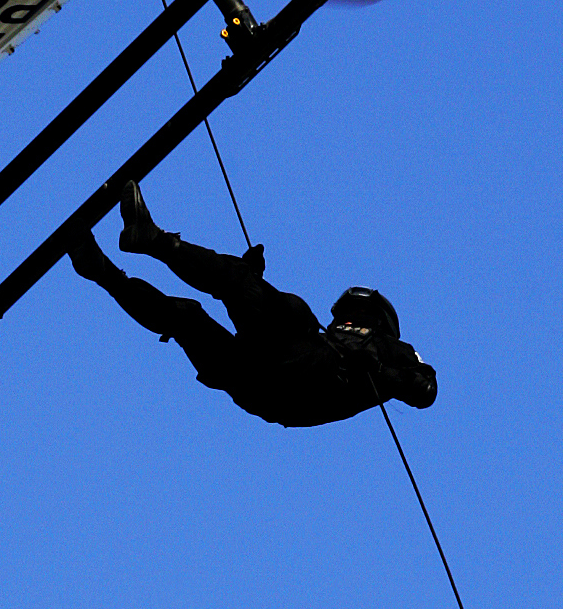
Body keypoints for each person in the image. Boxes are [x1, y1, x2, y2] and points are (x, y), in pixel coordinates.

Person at [68, 180, 437, 429]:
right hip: (259, 385)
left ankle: (151, 240)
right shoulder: (327, 340)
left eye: (353, 315)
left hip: (304, 380)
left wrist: (381, 372)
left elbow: (425, 390)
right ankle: (101, 271)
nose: (344, 321)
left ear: (375, 319)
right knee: (187, 317)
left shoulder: (392, 348)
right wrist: (250, 280)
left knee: (282, 305)